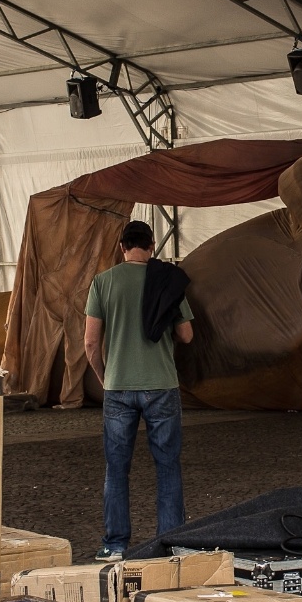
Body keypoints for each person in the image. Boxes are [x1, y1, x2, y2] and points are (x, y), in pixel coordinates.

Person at [84, 220, 194, 561]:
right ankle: (171, 543)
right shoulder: (166, 281)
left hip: (118, 386)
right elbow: (187, 335)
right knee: (167, 466)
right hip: (161, 384)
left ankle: (115, 545)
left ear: (121, 246)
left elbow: (90, 342)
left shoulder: (102, 282)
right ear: (152, 246)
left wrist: (106, 378)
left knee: (117, 469)